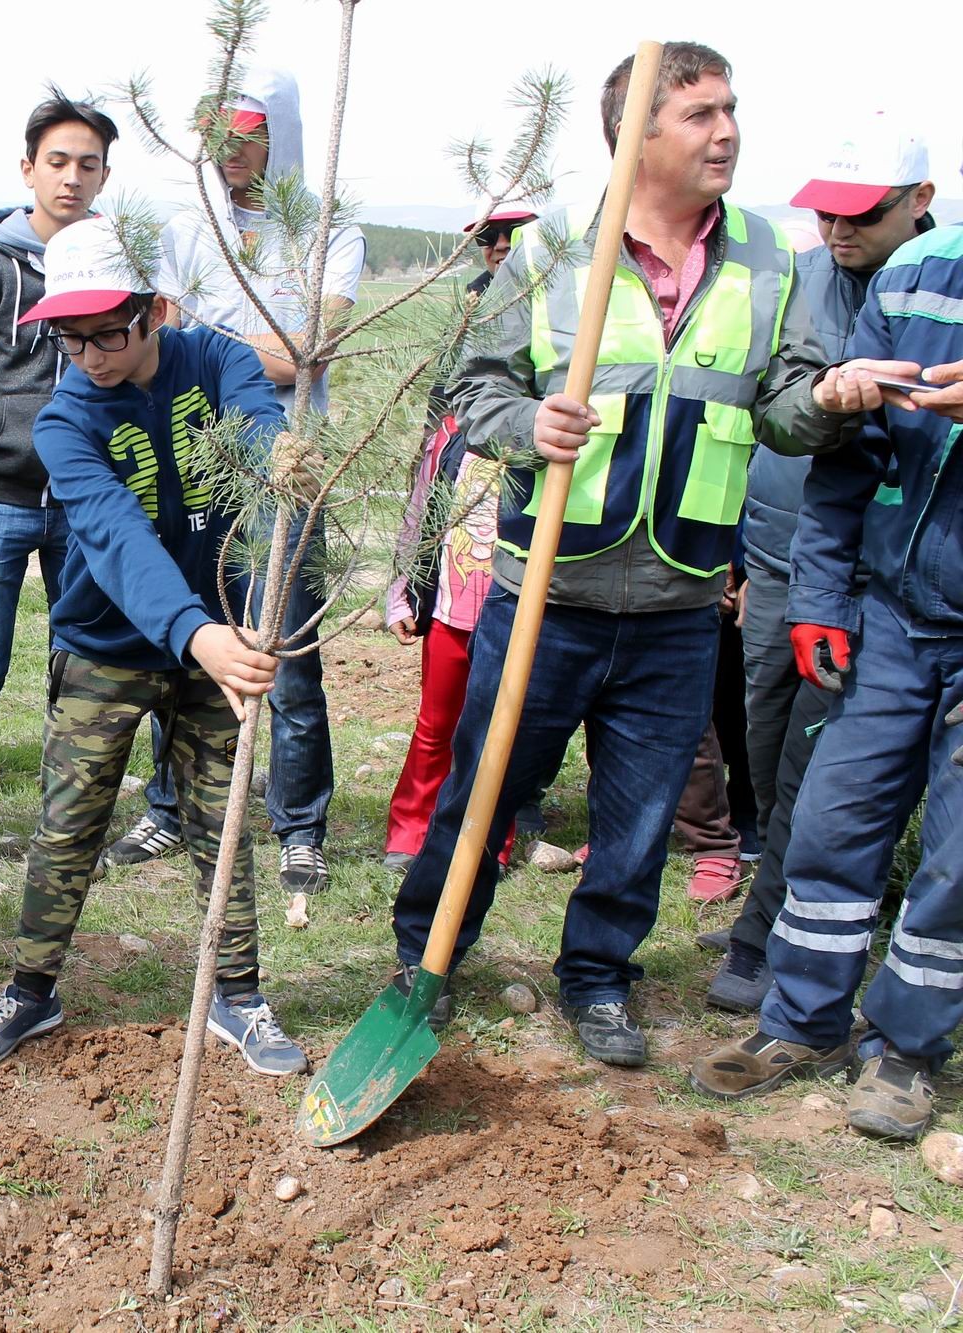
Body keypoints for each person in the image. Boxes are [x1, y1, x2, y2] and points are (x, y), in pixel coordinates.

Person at [388, 43, 863, 1066]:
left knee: (640, 816)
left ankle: (597, 977)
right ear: (632, 136)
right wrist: (524, 425)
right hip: (547, 592)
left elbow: (782, 410)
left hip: (679, 598)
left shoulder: (766, 257)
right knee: (485, 789)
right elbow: (471, 389)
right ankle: (421, 953)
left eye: (729, 108)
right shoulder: (553, 248)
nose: (726, 130)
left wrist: (823, 402)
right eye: (697, 114)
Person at [0, 217, 306, 1078]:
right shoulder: (65, 421)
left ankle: (239, 994)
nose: (91, 356)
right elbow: (115, 539)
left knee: (222, 823)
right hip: (109, 645)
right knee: (69, 823)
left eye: (107, 332)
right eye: (69, 338)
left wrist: (284, 459)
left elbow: (259, 426)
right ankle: (32, 990)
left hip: (217, 637)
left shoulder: (214, 360)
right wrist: (198, 634)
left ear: (155, 309)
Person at [690, 203, 963, 1141]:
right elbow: (853, 462)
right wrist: (819, 596)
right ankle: (801, 1022)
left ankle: (907, 1052)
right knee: (832, 818)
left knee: (957, 860)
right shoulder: (920, 276)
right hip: (888, 616)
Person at [705, 114, 939, 1011]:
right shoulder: (802, 280)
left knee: (817, 765)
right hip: (773, 565)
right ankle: (811, 894)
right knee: (765, 752)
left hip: (881, 587)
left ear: (918, 202)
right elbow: (754, 414)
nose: (839, 234)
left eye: (862, 217)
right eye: (827, 216)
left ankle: (766, 935)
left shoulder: (936, 290)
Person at [114, 67, 361, 903]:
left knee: (287, 652)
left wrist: (215, 347)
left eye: (248, 133)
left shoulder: (325, 229)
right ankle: (169, 804)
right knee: (187, 642)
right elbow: (165, 343)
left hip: (286, 466)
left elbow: (306, 354)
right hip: (198, 463)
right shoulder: (187, 225)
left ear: (278, 135)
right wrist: (247, 346)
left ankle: (298, 827)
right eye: (216, 134)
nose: (231, 152)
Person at [0, 89, 117, 884]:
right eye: (59, 161)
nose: (72, 178)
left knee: (77, 662)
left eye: (89, 165)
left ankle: (66, 818)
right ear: (28, 168)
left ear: (106, 177)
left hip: (84, 505)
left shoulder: (112, 262)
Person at [381, 202, 535, 873]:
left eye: (513, 239)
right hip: (450, 604)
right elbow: (419, 511)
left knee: (497, 728)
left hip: (516, 601)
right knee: (436, 722)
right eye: (489, 239)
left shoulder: (547, 434)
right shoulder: (448, 434)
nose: (500, 248)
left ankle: (489, 838)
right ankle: (410, 828)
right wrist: (402, 590)